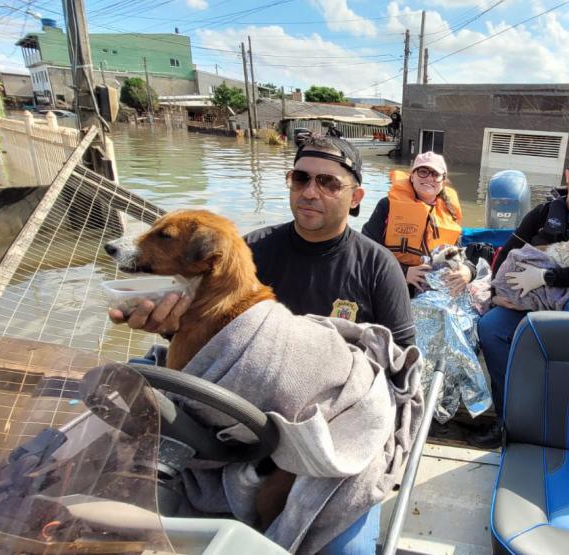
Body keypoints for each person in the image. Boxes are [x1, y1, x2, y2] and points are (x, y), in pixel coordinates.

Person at [109, 134, 415, 553]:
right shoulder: (243, 250)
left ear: (357, 196)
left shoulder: (379, 267)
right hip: (237, 418)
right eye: (300, 178)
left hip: (330, 422)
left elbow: (395, 366)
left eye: (328, 183)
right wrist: (165, 327)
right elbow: (212, 343)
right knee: (124, 483)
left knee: (345, 550)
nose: (310, 192)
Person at [470, 144, 569, 449]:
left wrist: (546, 277)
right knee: (491, 327)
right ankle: (510, 420)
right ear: (568, 174)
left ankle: (567, 422)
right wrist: (496, 293)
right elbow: (507, 251)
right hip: (531, 300)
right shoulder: (543, 212)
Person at [361, 151, 474, 297]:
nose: (428, 178)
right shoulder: (387, 205)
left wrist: (468, 271)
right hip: (390, 283)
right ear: (412, 176)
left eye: (435, 174)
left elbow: (457, 254)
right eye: (423, 172)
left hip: (431, 288)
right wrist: (403, 272)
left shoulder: (449, 212)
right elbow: (366, 251)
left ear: (443, 180)